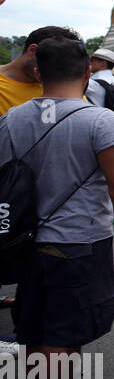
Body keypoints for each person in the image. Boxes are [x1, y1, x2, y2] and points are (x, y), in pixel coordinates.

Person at [0, 37, 114, 379]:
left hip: (27, 242)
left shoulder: (11, 119)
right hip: (78, 242)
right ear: (87, 72)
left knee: (36, 328)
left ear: (37, 72)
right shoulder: (100, 121)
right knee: (64, 334)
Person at [0, 26, 83, 320]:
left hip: (46, 211)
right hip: (7, 196)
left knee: (34, 286)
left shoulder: (57, 87)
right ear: (34, 51)